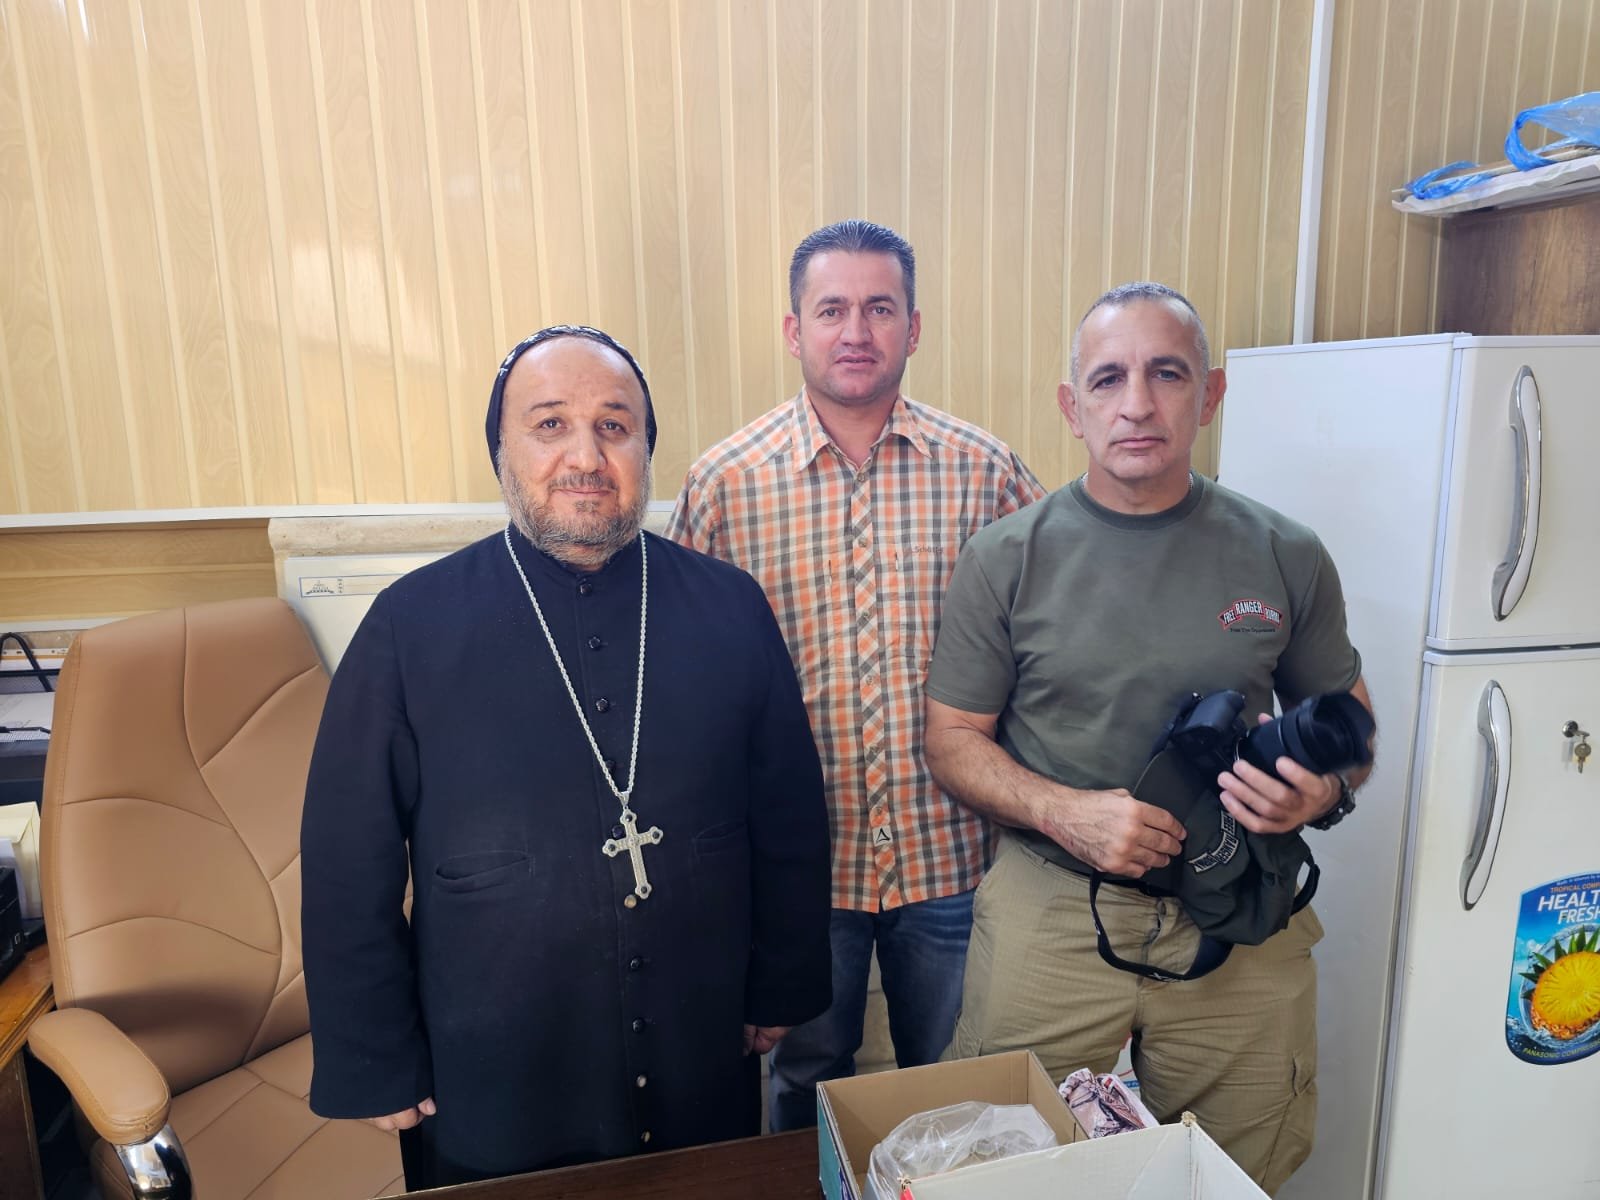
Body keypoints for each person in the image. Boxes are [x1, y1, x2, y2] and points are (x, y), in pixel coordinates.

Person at [302, 325, 832, 1189]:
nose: (585, 455)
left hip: (701, 1039)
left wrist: (780, 985)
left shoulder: (729, 607)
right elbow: (344, 862)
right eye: (549, 425)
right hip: (497, 1072)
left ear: (646, 450)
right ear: (501, 451)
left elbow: (788, 817)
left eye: (615, 427)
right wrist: (375, 1054)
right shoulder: (408, 627)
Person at [923, 283, 1373, 1194]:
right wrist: (1066, 813)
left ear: (1208, 394)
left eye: (1167, 374)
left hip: (1240, 912)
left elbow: (1351, 722)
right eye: (1109, 379)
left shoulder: (1284, 551)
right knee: (1010, 1167)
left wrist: (1323, 791)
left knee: (1237, 1170)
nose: (1137, 403)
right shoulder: (1007, 558)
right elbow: (952, 741)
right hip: (1053, 908)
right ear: (1072, 407)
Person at [666, 220, 1044, 1130]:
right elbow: (681, 686)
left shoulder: (984, 471)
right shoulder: (724, 484)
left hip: (952, 855)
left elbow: (1050, 637)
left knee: (958, 1084)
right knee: (806, 1085)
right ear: (795, 330)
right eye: (832, 309)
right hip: (800, 869)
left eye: (881, 308)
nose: (856, 331)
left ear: (914, 327)